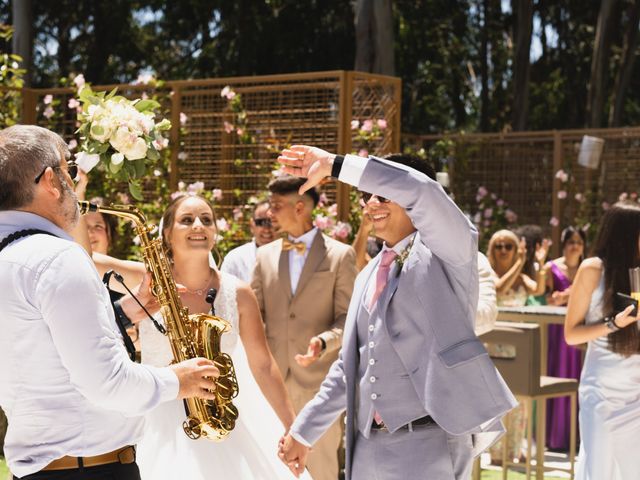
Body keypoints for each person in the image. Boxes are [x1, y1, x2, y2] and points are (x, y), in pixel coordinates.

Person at [276, 147, 516, 480]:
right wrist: (303, 432)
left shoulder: (450, 254)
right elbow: (350, 368)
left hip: (431, 443)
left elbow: (423, 191)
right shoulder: (367, 275)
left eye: (384, 195)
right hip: (366, 448)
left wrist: (335, 165)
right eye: (365, 196)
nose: (371, 203)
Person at [0, 125, 220, 480]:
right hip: (91, 469)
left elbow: (41, 347)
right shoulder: (57, 258)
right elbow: (108, 385)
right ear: (51, 182)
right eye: (70, 173)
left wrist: (128, 311)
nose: (75, 187)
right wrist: (179, 380)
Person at [95, 192, 306, 479]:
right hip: (156, 423)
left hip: (222, 419)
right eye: (187, 220)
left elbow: (263, 365)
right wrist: (76, 191)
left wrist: (293, 429)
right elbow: (85, 259)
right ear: (167, 233)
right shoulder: (145, 279)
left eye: (206, 220)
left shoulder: (239, 293)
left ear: (215, 233)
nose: (198, 225)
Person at [251, 175, 357, 480]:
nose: (269, 214)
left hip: (318, 387)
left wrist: (324, 342)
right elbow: (253, 316)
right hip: (270, 385)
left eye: (276, 206)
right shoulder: (263, 256)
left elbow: (348, 317)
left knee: (320, 469)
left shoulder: (340, 255)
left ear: (300, 207)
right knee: (268, 467)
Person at [565, 201, 640, 479]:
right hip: (602, 391)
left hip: (636, 392)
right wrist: (612, 324)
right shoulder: (592, 270)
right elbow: (571, 334)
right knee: (600, 468)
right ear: (626, 235)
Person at [544, 226, 585, 451]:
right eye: (571, 241)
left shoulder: (586, 269)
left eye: (579, 241)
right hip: (556, 332)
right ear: (564, 244)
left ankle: (576, 438)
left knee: (578, 378)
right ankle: (555, 437)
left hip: (580, 328)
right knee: (556, 376)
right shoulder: (551, 268)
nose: (575, 245)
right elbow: (546, 298)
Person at [221, 200, 275, 282]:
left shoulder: (291, 257)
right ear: (251, 225)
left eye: (271, 221)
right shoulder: (235, 259)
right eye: (260, 222)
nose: (266, 229)